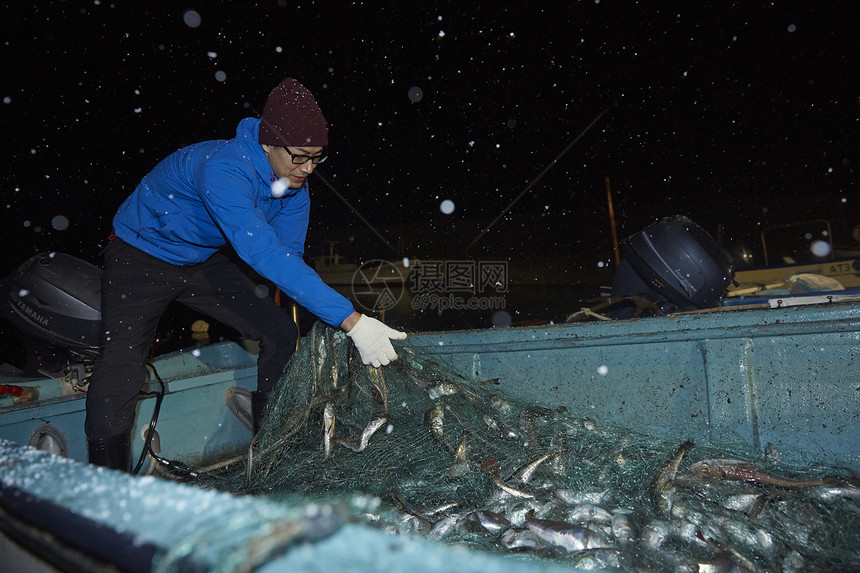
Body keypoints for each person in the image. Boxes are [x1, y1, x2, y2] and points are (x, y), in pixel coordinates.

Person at [85, 77, 406, 471]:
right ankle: (106, 479)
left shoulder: (295, 186)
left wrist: (303, 301)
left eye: (318, 158)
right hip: (139, 255)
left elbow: (287, 258)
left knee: (281, 332)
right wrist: (353, 321)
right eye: (300, 156)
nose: (308, 169)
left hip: (201, 259)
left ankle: (270, 449)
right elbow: (261, 251)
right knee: (122, 364)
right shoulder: (223, 168)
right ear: (268, 142)